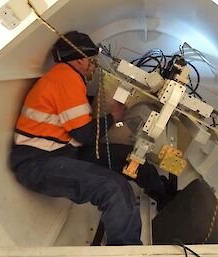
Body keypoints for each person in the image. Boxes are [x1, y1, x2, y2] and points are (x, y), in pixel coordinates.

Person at [9, 31, 171, 245]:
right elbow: (85, 135)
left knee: (128, 156)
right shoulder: (65, 77)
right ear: (79, 59)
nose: (93, 66)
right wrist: (114, 117)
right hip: (37, 163)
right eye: (91, 61)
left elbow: (78, 123)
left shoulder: (66, 79)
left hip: (64, 153)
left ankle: (165, 198)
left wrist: (111, 114)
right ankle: (126, 249)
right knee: (114, 187)